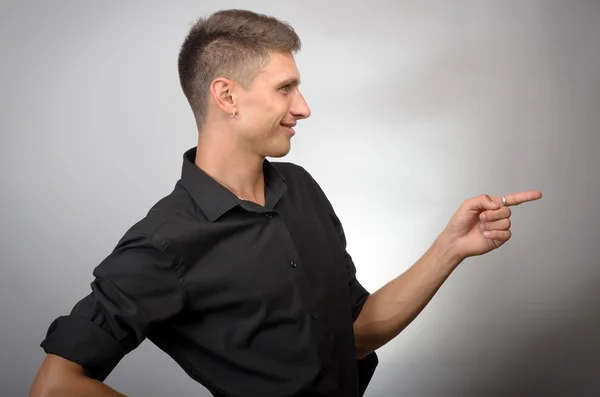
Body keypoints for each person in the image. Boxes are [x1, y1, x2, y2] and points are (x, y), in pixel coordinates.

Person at [29, 9, 542, 397]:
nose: (304, 107)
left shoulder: (299, 188)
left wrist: (449, 248)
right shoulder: (165, 241)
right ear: (227, 97)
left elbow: (357, 333)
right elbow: (56, 384)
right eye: (286, 88)